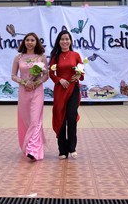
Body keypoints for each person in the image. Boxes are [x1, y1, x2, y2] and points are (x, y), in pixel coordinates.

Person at [11, 32, 48, 161]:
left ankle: (32, 149)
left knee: (35, 120)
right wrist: (24, 82)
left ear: (36, 42)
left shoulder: (41, 57)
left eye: (32, 40)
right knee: (26, 121)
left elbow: (46, 75)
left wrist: (35, 83)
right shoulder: (18, 57)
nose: (30, 42)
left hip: (37, 91)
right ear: (24, 42)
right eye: (27, 40)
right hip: (23, 92)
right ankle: (29, 146)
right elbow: (13, 75)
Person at [49, 30, 84, 159]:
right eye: (62, 39)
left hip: (73, 89)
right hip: (60, 90)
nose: (65, 41)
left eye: (67, 39)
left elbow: (81, 71)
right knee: (61, 119)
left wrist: (79, 74)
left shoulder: (76, 55)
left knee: (71, 117)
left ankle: (72, 148)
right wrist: (59, 79)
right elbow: (51, 74)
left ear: (70, 41)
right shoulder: (55, 57)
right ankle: (62, 150)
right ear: (59, 41)